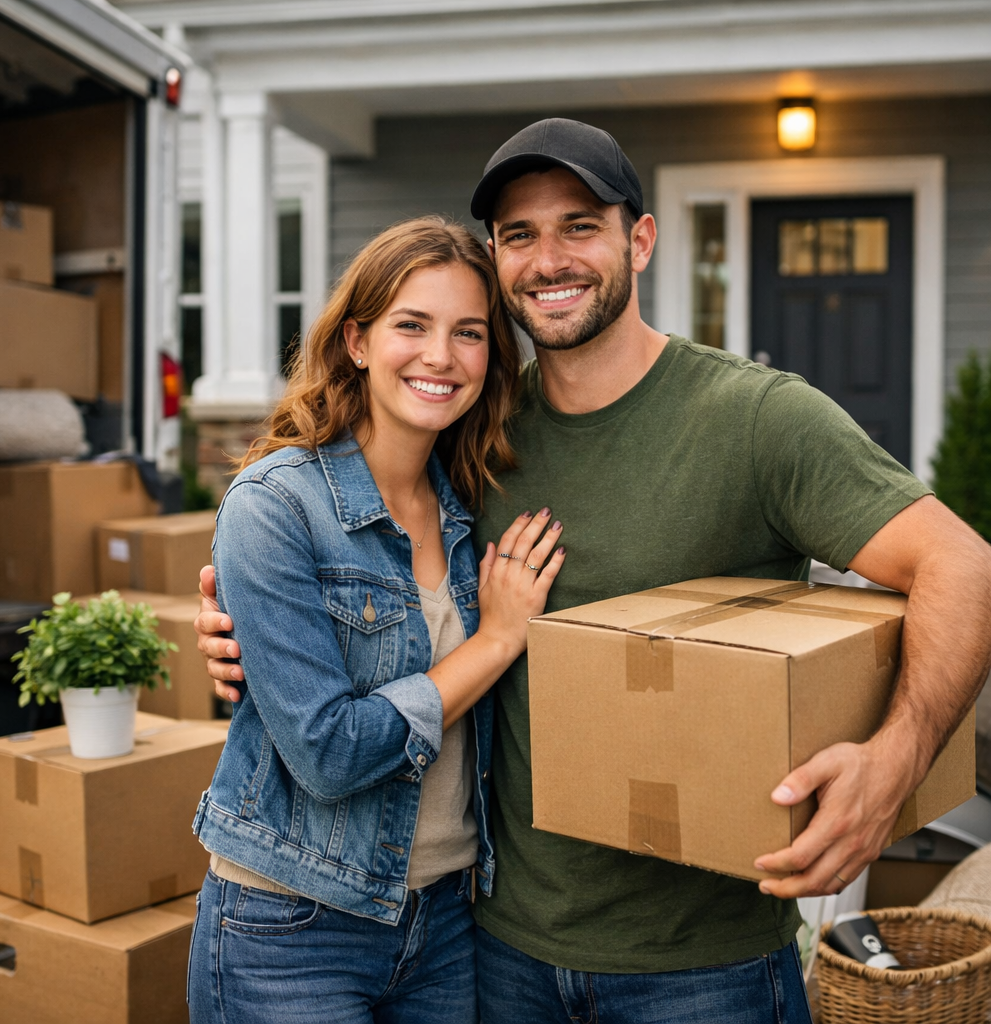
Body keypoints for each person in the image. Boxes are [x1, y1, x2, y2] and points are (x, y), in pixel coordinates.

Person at [196, 120, 991, 1022]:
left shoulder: (757, 419)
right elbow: (360, 586)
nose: (548, 259)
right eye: (520, 235)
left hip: (702, 968)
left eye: (579, 224)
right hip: (495, 949)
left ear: (639, 239)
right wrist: (242, 637)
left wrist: (897, 759)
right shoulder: (474, 436)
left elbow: (964, 565)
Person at [186, 216, 566, 1024]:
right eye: (412, 325)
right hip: (293, 925)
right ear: (356, 340)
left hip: (450, 919)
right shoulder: (276, 506)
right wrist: (497, 639)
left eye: (469, 333)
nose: (441, 356)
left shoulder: (473, 507)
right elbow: (326, 751)